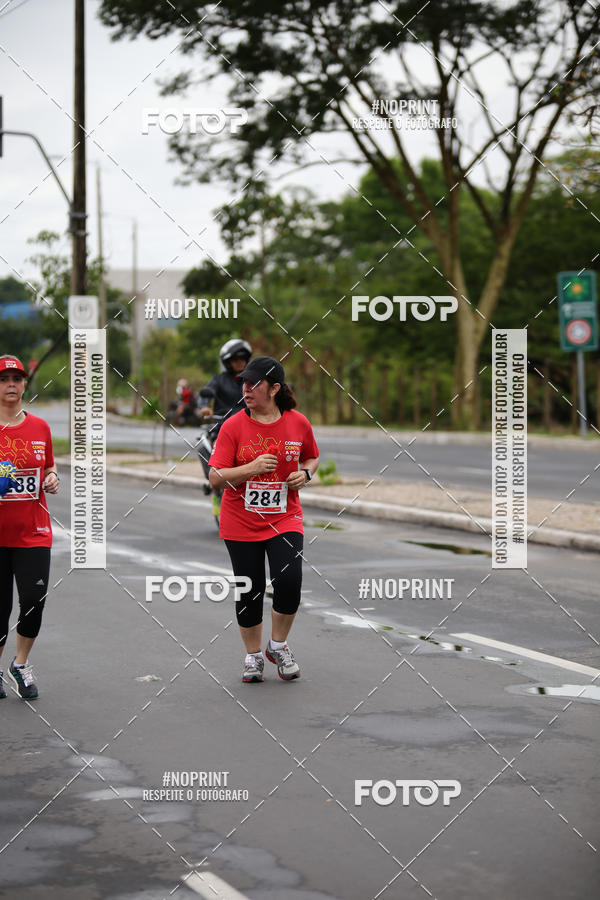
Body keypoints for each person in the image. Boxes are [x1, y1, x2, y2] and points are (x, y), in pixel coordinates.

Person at [208, 356, 319, 683]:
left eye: (254, 383)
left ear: (274, 388)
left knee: (289, 582)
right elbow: (215, 477)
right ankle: (253, 656)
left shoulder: (298, 423)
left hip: (285, 517)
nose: (246, 389)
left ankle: (278, 645)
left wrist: (305, 475)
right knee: (250, 589)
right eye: (243, 382)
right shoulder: (233, 426)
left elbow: (311, 456)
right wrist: (251, 469)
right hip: (240, 521)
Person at [0, 356, 59, 700]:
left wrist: (52, 477)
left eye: (16, 379)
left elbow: (48, 466)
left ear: (24, 385)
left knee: (33, 600)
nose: (11, 384)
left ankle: (20, 664)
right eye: (4, 378)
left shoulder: (40, 428)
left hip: (33, 532)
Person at [198, 339, 252, 517]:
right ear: (227, 362)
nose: (239, 362)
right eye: (235, 359)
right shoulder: (219, 380)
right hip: (222, 426)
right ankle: (215, 489)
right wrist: (205, 406)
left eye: (243, 359)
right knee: (203, 447)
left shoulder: (253, 379)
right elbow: (206, 393)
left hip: (250, 426)